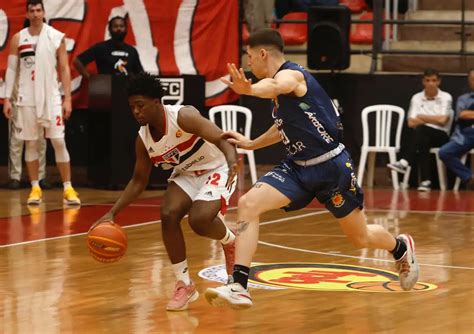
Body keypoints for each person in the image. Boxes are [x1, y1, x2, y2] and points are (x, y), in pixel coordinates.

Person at [204, 29, 419, 309]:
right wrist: (253, 143)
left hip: (332, 168)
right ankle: (239, 286)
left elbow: (276, 86)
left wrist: (250, 90)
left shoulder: (291, 75)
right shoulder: (281, 88)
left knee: (360, 237)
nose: (248, 64)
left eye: (249, 57)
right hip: (297, 168)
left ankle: (400, 247)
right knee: (248, 204)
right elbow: (283, 123)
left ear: (263, 54)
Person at [93, 72, 239, 311]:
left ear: (157, 102)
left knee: (199, 220)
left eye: (140, 106)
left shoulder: (183, 116)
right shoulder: (143, 139)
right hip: (187, 173)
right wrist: (112, 214)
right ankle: (184, 284)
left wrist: (233, 161)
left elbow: (221, 139)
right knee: (168, 212)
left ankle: (230, 241)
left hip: (218, 166)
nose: (136, 112)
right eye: (132, 108)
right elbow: (138, 182)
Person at [2, 0, 80, 205]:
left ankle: (68, 187)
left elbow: (64, 69)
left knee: (58, 141)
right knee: (31, 143)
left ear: (44, 12)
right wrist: (7, 98)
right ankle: (35, 187)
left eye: (39, 10)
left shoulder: (55, 36)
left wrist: (68, 99)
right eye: (32, 11)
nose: (36, 14)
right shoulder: (19, 38)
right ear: (27, 14)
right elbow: (11, 70)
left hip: (52, 97)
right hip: (27, 98)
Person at [387, 68, 452, 192]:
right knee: (422, 139)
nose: (431, 83)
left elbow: (443, 120)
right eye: (428, 80)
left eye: (434, 80)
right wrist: (433, 119)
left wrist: (422, 117)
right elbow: (411, 122)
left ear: (439, 82)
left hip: (441, 135)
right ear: (423, 81)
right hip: (422, 135)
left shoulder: (446, 97)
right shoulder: (416, 97)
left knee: (420, 130)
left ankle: (405, 162)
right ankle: (426, 181)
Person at [73, 16, 143, 78]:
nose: (119, 29)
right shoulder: (101, 47)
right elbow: (77, 61)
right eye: (115, 26)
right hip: (106, 90)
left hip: (127, 90)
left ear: (126, 29)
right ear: (109, 29)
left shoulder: (132, 51)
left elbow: (140, 73)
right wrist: (90, 79)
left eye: (121, 26)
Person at [439, 69, 474, 188]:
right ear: (469, 82)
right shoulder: (463, 99)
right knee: (444, 152)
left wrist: (469, 113)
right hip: (466, 134)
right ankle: (469, 177)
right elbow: (462, 115)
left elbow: (467, 114)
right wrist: (467, 114)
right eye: (473, 79)